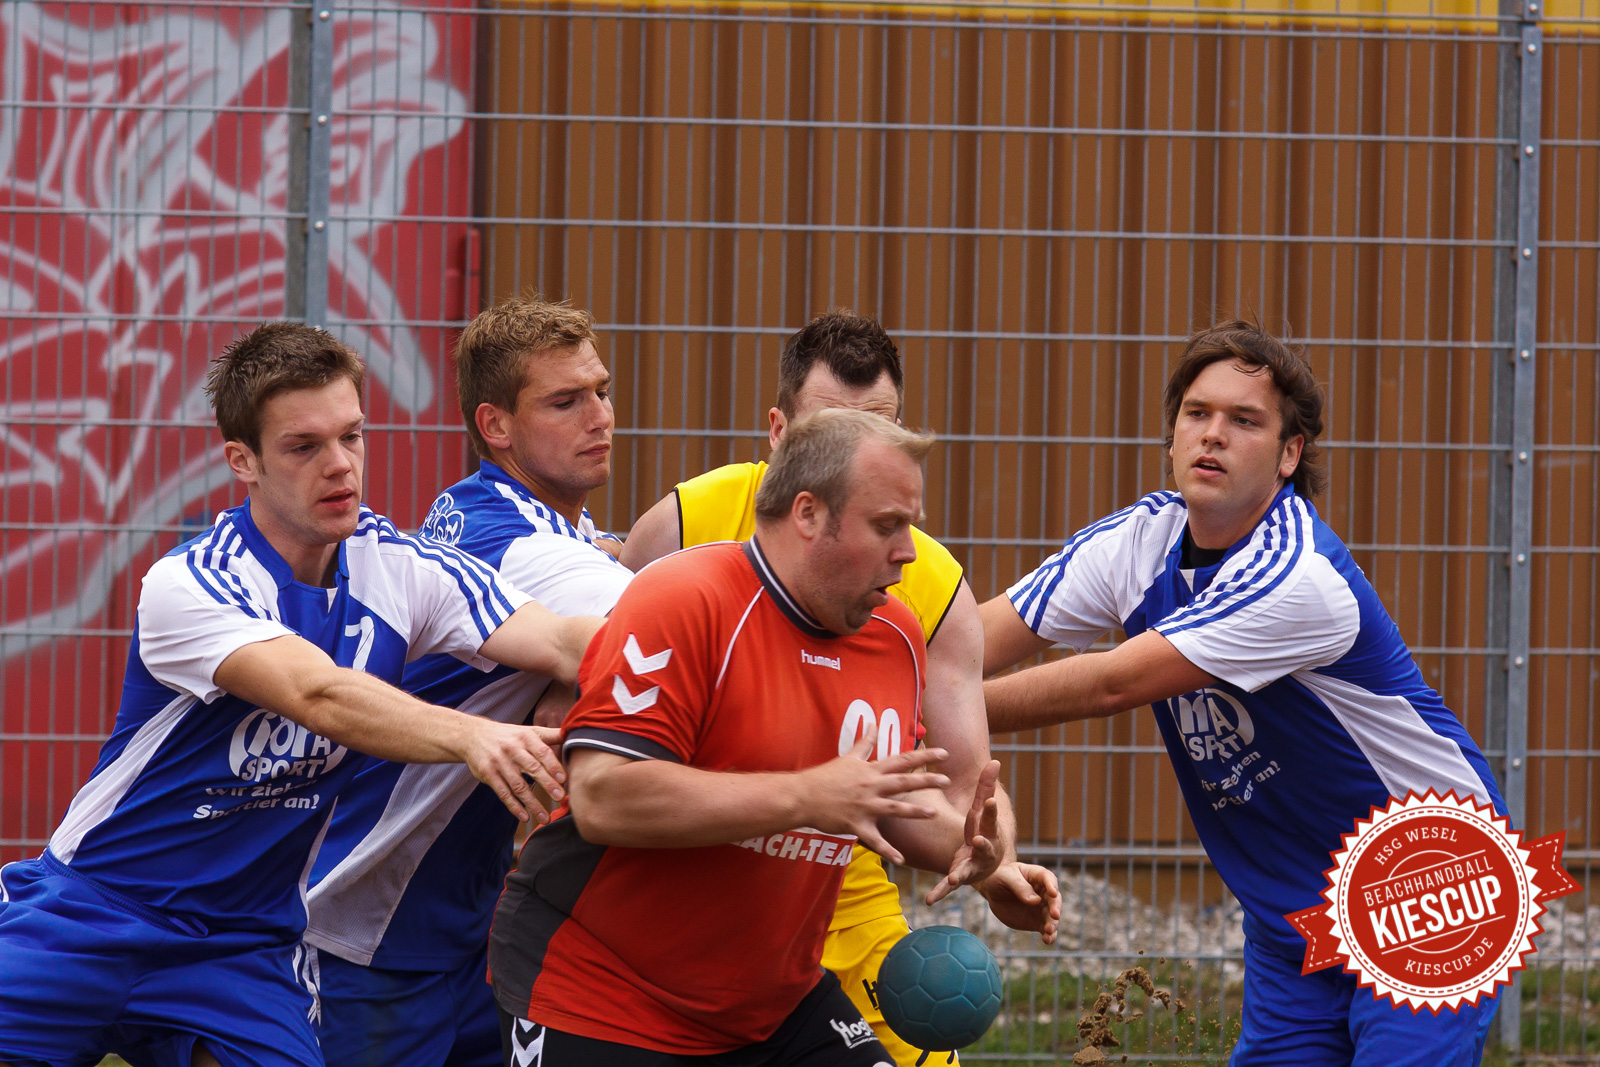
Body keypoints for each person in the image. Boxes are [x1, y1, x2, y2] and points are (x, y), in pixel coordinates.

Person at [0, 323, 599, 1067]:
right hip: (93, 913)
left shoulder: (403, 567)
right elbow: (317, 693)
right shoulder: (190, 583)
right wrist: (473, 735)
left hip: (241, 947)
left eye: (353, 436)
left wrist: (697, 638)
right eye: (304, 446)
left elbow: (572, 640)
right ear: (242, 461)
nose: (340, 465)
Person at [981, 321, 1506, 1067]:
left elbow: (1113, 682)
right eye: (1197, 413)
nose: (1213, 434)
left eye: (1245, 420)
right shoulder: (1139, 542)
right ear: (1171, 436)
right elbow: (971, 640)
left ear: (1290, 454)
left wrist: (927, 710)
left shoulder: (1297, 576)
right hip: (1293, 901)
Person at [491, 409, 1053, 1066]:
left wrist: (979, 856)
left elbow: (876, 802)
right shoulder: (681, 599)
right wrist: (808, 794)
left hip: (768, 1006)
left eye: (912, 525)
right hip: (605, 994)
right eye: (886, 525)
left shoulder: (898, 636)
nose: (907, 551)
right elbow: (603, 795)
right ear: (808, 513)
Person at [622, 310, 1059, 1067]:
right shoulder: (684, 530)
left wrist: (994, 862)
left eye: (879, 436)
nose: (856, 458)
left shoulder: (931, 589)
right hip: (678, 894)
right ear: (777, 432)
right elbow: (602, 750)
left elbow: (964, 788)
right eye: (830, 434)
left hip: (839, 891)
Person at [302, 298, 632, 1067]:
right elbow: (691, 639)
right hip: (368, 926)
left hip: (468, 923)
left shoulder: (529, 526)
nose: (600, 416)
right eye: (565, 400)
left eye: (602, 390)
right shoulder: (512, 544)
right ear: (496, 425)